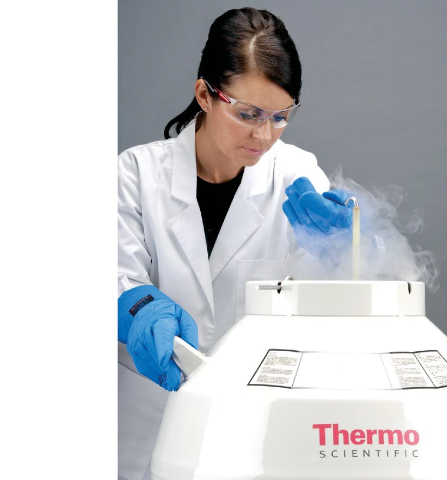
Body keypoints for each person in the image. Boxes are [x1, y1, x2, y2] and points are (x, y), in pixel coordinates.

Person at [117, 8, 354, 480]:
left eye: (281, 117)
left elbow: (327, 299)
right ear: (205, 94)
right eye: (248, 114)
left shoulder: (295, 173)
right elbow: (112, 274)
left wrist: (340, 248)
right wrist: (138, 308)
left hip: (244, 421)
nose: (264, 135)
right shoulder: (134, 174)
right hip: (139, 414)